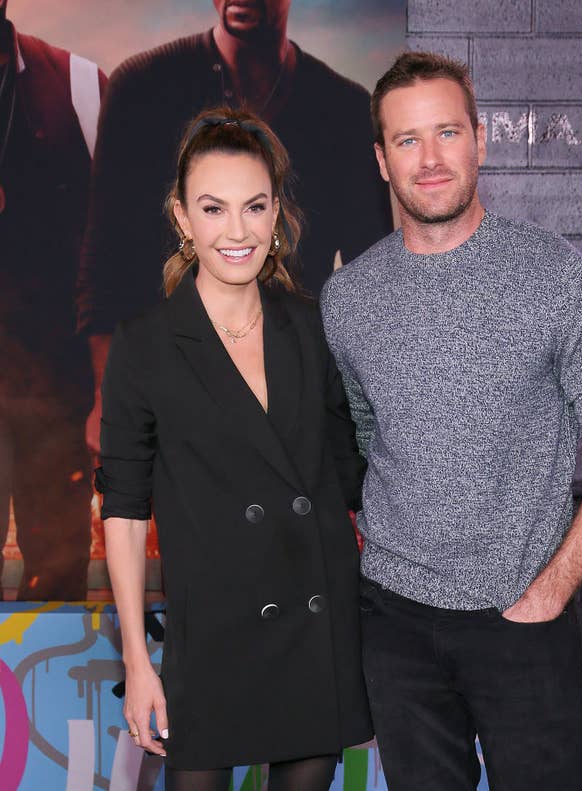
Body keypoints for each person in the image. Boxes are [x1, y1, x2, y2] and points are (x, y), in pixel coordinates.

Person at [320, 52, 582, 791]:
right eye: (408, 140)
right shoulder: (346, 298)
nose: (431, 158)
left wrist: (551, 589)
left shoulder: (555, 275)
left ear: (482, 138)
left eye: (448, 132)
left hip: (523, 622)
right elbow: (365, 438)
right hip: (395, 624)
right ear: (381, 160)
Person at [97, 106, 371, 790]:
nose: (237, 231)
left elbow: (353, 474)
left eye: (254, 206)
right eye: (213, 209)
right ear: (183, 217)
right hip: (210, 636)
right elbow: (126, 510)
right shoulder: (144, 345)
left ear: (277, 212)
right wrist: (137, 659)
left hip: (314, 627)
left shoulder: (314, 328)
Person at [78, 0, 392, 455]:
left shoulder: (344, 108)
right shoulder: (142, 87)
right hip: (165, 404)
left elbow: (374, 284)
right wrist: (107, 398)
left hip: (294, 409)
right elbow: (105, 261)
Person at [0, 0, 106, 599]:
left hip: (55, 396)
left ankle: (36, 695)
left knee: (57, 590)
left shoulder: (80, 87)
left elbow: (117, 256)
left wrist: (108, 391)